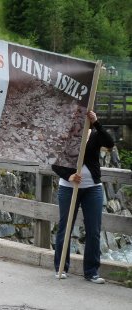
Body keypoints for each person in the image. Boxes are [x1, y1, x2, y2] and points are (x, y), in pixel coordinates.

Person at [52, 111, 114, 284]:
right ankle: (61, 268)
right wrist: (68, 176)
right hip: (68, 188)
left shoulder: (95, 134)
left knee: (93, 230)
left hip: (92, 188)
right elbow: (53, 159)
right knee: (65, 228)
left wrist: (97, 123)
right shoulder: (66, 134)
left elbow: (110, 143)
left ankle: (92, 272)